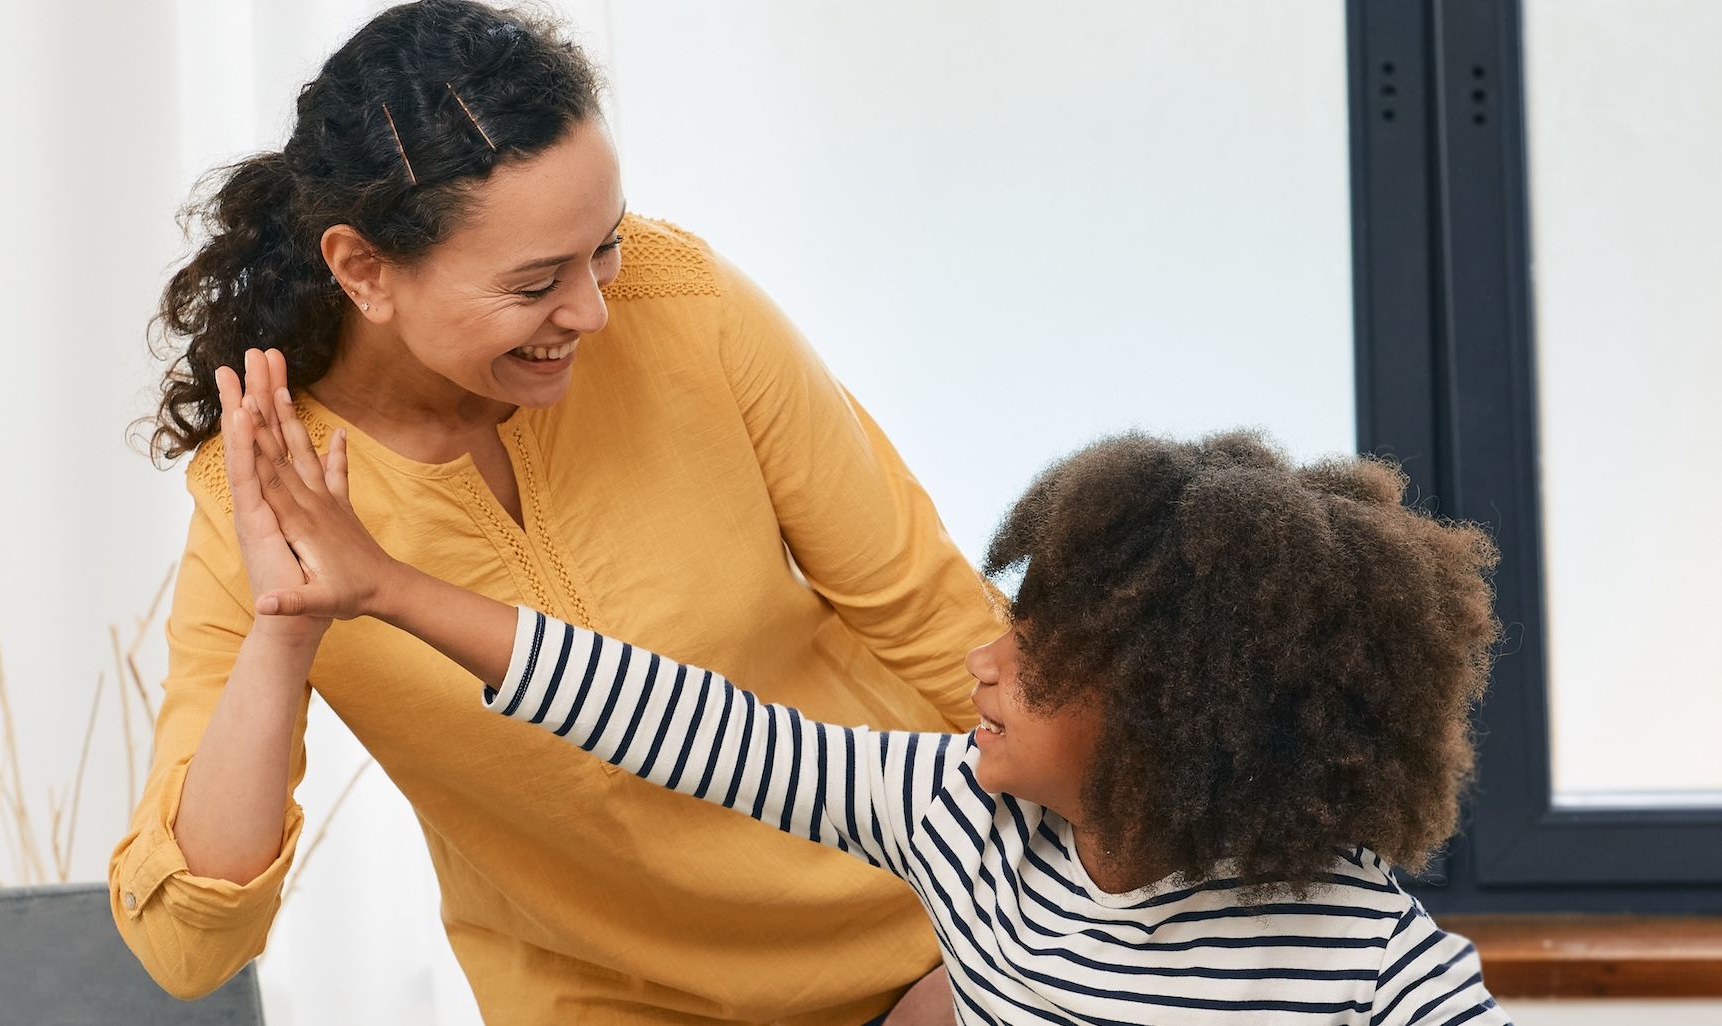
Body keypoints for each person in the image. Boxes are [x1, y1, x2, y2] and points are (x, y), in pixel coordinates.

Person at [110, 2, 1002, 1021]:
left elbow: (933, 616)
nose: (591, 310)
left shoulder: (683, 306)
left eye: (603, 246)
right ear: (362, 269)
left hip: (941, 937)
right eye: (535, 283)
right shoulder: (272, 494)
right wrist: (284, 635)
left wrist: (1060, 928)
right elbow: (188, 947)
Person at [227, 409, 1513, 1026]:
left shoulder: (1356, 948)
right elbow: (678, 719)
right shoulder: (956, 817)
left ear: (1179, 720)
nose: (984, 664)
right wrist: (387, 587)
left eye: (1039, 655)